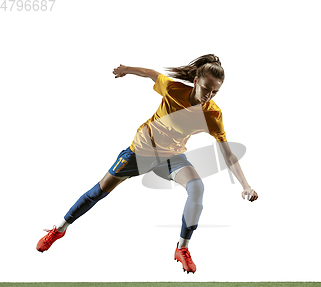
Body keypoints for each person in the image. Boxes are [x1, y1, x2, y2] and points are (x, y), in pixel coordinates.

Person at [36, 54, 258, 274]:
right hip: (140, 152)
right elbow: (152, 74)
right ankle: (59, 230)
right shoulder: (173, 90)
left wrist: (245, 186)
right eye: (205, 88)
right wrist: (126, 69)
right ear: (195, 81)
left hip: (171, 157)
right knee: (98, 192)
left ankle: (182, 248)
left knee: (197, 187)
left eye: (215, 91)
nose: (208, 95)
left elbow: (228, 154)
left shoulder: (213, 114)